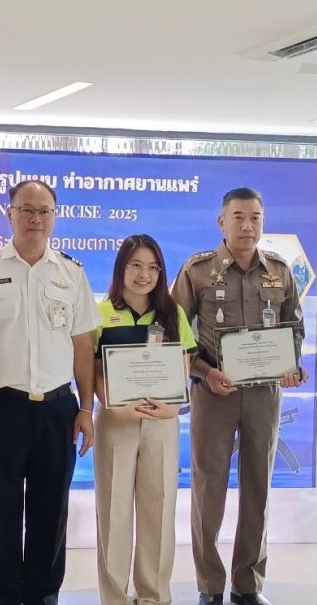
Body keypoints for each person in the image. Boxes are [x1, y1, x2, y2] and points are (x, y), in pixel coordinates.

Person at [0, 179, 98, 605]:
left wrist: (86, 409)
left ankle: (43, 595)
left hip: (57, 409)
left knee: (51, 512)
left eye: (44, 211)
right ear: (10, 214)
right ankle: (0, 596)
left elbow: (83, 348)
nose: (36, 218)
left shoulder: (71, 273)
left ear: (55, 217)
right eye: (27, 210)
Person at [170, 186, 305, 605]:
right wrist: (204, 373)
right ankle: (210, 586)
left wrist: (291, 365)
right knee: (208, 488)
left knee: (258, 487)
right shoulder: (197, 270)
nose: (248, 226)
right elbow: (176, 334)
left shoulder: (279, 270)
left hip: (264, 393)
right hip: (214, 392)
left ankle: (248, 585)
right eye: (239, 217)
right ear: (222, 222)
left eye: (256, 218)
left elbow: (294, 326)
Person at [92, 234, 196, 605]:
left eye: (153, 267)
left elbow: (183, 368)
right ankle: (115, 597)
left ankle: (154, 596)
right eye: (136, 265)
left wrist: (174, 407)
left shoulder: (173, 314)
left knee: (159, 509)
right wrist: (110, 404)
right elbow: (91, 370)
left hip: (161, 423)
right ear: (121, 268)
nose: (144, 274)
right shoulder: (100, 313)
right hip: (116, 422)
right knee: (114, 512)